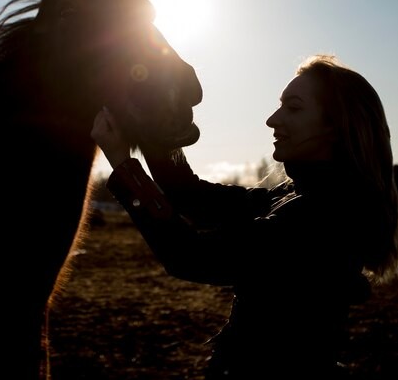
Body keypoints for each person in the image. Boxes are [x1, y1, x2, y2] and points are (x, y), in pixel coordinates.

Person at [91, 54, 398, 379]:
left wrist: (122, 162)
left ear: (336, 127)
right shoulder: (292, 197)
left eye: (293, 108)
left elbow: (189, 256)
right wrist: (154, 125)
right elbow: (190, 194)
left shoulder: (322, 216)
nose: (272, 119)